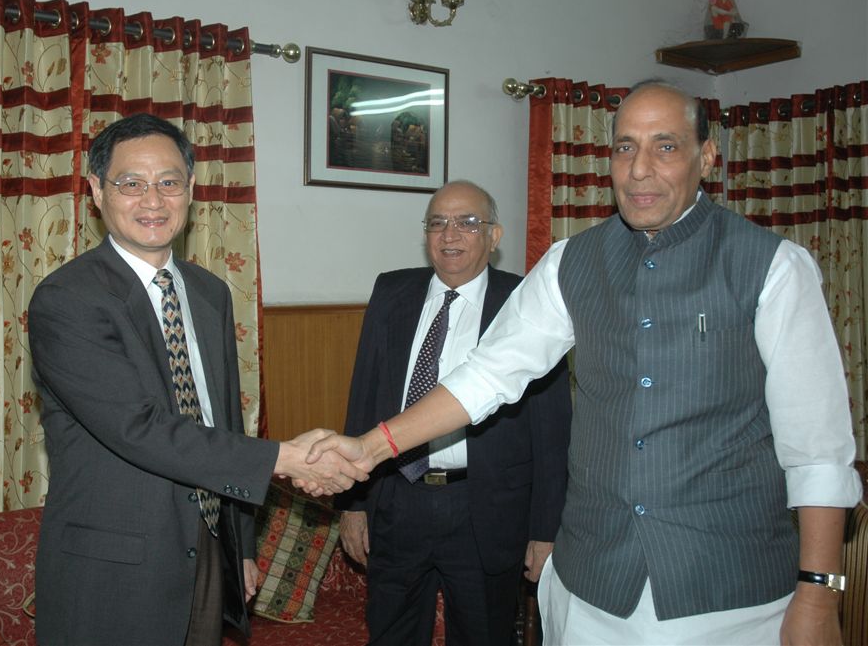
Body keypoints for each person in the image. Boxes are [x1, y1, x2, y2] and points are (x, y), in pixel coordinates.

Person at [310, 81, 863, 646]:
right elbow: (486, 375)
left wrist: (818, 595)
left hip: (727, 596)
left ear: (709, 156)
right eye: (625, 147)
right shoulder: (569, 263)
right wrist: (370, 447)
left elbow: (816, 450)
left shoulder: (775, 268)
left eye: (665, 146)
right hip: (590, 589)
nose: (640, 169)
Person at [28, 113, 365, 646]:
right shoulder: (68, 300)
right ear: (95, 191)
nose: (153, 201)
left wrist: (241, 546)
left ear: (191, 190)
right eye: (131, 184)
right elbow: (138, 428)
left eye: (169, 182)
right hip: (115, 565)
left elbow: (222, 418)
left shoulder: (208, 292)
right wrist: (288, 458)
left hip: (208, 546)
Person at [335, 180, 572, 646]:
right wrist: (353, 504)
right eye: (438, 222)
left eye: (467, 223)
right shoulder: (391, 291)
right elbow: (364, 397)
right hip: (397, 498)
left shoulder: (528, 303)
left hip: (485, 510)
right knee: (391, 634)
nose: (450, 235)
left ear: (494, 236)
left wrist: (546, 532)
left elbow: (552, 432)